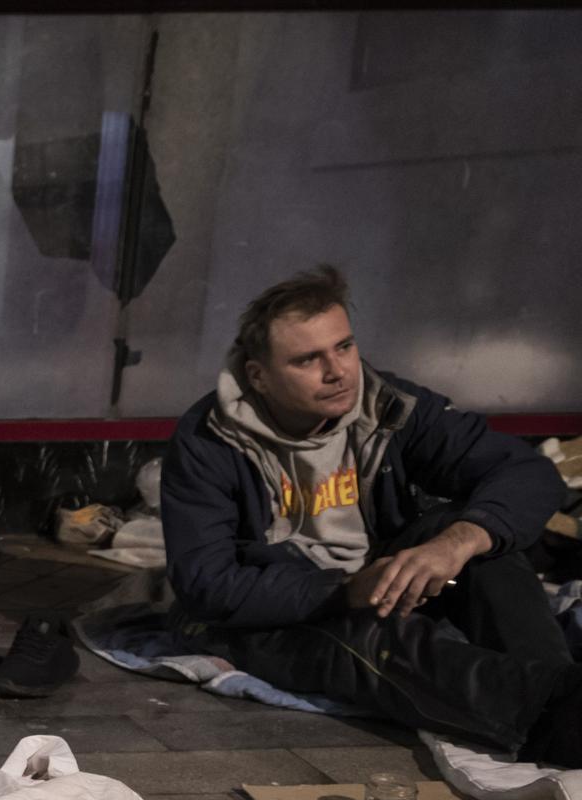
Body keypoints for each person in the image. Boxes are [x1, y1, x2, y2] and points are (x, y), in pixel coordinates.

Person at [161, 264, 582, 765]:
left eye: (344, 346)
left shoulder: (389, 405)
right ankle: (547, 715)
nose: (338, 371)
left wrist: (459, 541)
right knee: (372, 639)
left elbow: (529, 472)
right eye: (308, 359)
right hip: (272, 612)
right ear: (259, 376)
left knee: (478, 542)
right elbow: (206, 583)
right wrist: (342, 591)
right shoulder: (209, 440)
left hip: (376, 574)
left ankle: (565, 693)